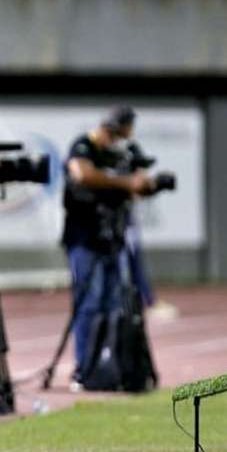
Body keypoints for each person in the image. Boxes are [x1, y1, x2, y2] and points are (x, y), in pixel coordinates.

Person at [62, 106, 155, 387]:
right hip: (84, 238)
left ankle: (112, 366)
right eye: (117, 137)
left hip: (113, 239)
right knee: (89, 304)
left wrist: (143, 185)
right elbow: (82, 175)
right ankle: (85, 368)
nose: (119, 143)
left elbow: (138, 187)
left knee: (115, 305)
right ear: (109, 129)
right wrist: (125, 182)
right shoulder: (83, 146)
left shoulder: (120, 154)